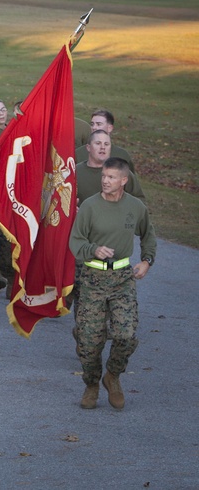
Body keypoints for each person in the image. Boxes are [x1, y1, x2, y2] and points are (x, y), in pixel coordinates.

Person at [69, 157, 155, 410]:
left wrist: (147, 261)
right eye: (103, 176)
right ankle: (91, 384)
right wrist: (94, 250)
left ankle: (113, 375)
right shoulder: (90, 206)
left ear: (124, 180)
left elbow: (148, 235)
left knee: (126, 335)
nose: (105, 181)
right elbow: (76, 241)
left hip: (122, 279)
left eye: (111, 177)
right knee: (89, 341)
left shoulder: (136, 207)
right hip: (92, 279)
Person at [76, 130, 145, 205]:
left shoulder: (120, 171)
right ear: (88, 147)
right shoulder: (76, 172)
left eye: (106, 144)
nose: (102, 147)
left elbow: (139, 200)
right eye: (98, 143)